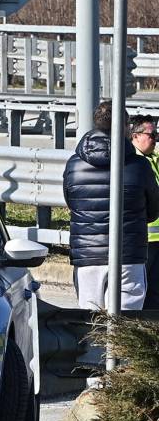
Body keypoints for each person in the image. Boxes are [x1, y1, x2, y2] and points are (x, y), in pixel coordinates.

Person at [63, 100, 159, 311]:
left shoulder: (74, 165)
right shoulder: (140, 166)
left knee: (91, 323)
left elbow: (71, 203)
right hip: (128, 255)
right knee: (125, 327)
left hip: (87, 255)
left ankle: (94, 347)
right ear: (125, 127)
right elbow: (153, 211)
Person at [130, 114, 159, 309]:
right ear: (135, 136)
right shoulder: (133, 162)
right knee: (141, 290)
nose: (155, 139)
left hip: (156, 238)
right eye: (152, 134)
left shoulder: (153, 159)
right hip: (143, 237)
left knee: (155, 290)